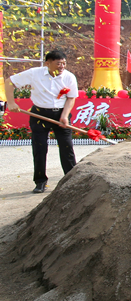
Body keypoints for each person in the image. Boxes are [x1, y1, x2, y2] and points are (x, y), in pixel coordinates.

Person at [3, 50, 79, 193]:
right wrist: (11, 102)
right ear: (47, 63)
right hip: (39, 114)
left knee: (67, 147)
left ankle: (71, 180)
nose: (62, 66)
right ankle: (40, 181)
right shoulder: (35, 73)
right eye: (58, 64)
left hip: (61, 114)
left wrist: (64, 116)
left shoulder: (69, 77)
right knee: (39, 148)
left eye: (64, 63)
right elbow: (9, 82)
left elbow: (71, 98)